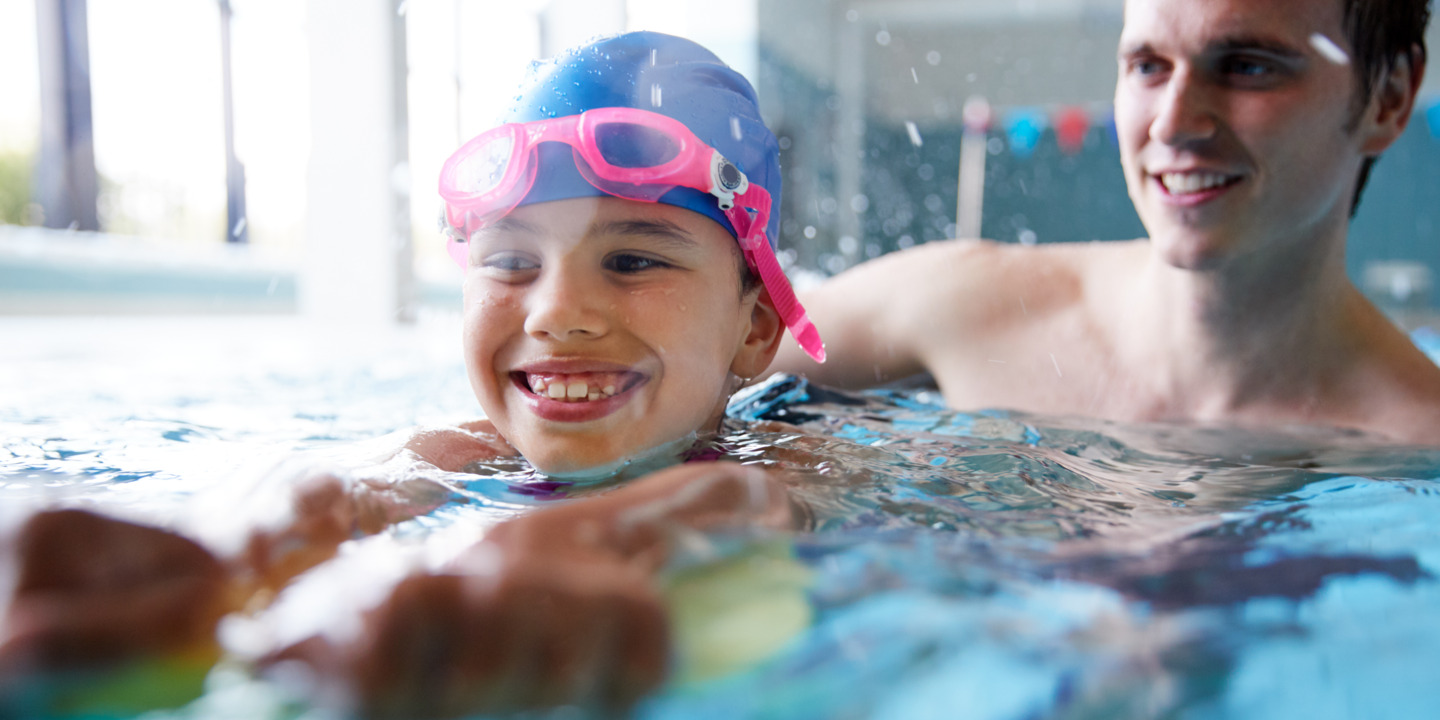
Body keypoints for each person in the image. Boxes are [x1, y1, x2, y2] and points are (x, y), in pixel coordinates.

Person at [0, 30, 821, 716]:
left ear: (753, 329)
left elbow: (749, 500)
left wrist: (576, 534)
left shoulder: (791, 456)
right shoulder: (467, 450)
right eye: (510, 261)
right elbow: (352, 488)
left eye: (632, 258)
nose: (553, 313)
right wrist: (226, 555)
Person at [770, 0, 1440, 445]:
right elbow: (707, 357)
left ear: (1389, 95)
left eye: (1246, 67)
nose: (1175, 123)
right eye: (1148, 67)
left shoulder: (1418, 441)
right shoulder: (963, 307)